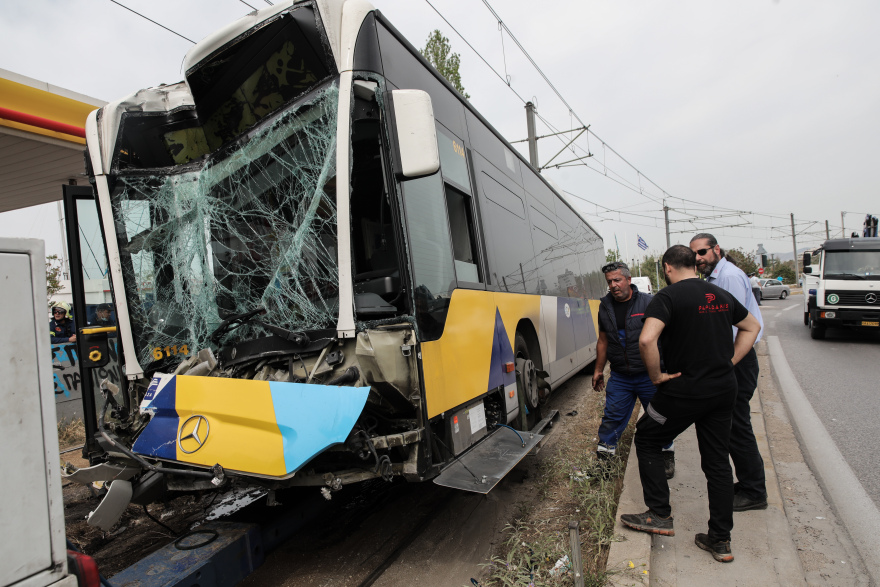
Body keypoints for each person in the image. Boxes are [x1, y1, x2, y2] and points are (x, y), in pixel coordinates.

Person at [620, 245, 760, 564]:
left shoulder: (667, 298)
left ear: (668, 268)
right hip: (724, 389)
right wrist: (730, 361)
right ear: (694, 265)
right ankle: (720, 540)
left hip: (684, 390)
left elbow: (646, 339)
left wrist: (656, 376)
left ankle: (659, 515)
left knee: (647, 437)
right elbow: (752, 326)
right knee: (717, 462)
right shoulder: (718, 294)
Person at [690, 233, 767, 512]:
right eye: (694, 255)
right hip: (733, 359)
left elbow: (733, 327)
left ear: (716, 250)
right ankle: (749, 483)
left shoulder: (728, 278)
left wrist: (724, 366)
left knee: (737, 428)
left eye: (702, 252)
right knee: (734, 427)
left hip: (738, 359)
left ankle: (754, 491)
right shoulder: (714, 278)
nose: (698, 259)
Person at [592, 261, 674, 478]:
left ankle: (666, 454)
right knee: (612, 418)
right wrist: (598, 370)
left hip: (649, 376)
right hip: (620, 376)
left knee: (658, 416)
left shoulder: (649, 303)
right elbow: (603, 341)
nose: (613, 285)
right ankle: (605, 465)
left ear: (629, 280)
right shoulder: (605, 306)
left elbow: (665, 338)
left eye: (617, 280)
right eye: (610, 281)